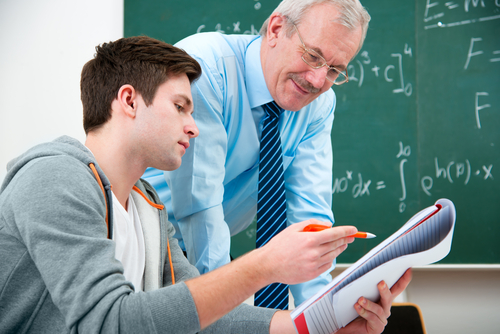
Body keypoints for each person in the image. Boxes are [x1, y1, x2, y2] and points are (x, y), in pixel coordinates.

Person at [0, 36, 411, 333]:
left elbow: (199, 311)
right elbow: (110, 322)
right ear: (128, 101)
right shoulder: (54, 177)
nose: (194, 127)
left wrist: (317, 327)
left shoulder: (148, 207)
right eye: (180, 107)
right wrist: (265, 264)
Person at [143, 0, 372, 306]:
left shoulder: (318, 105)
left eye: (334, 70)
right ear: (276, 29)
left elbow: (310, 217)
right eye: (312, 55)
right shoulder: (205, 67)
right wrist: (225, 309)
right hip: (148, 248)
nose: (318, 80)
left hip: (212, 253)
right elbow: (200, 207)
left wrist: (323, 315)